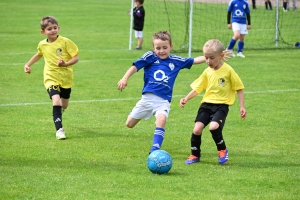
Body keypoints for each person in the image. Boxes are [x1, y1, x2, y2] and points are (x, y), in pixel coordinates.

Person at [117, 31, 230, 154]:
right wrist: (124, 78)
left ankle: (155, 149)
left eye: (165, 48)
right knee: (129, 124)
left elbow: (194, 60)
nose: (161, 51)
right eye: (158, 48)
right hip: (147, 99)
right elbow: (135, 66)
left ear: (171, 46)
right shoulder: (150, 56)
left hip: (163, 101)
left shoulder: (175, 60)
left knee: (161, 120)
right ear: (154, 47)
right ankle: (136, 114)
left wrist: (215, 56)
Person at [180, 39, 247, 165]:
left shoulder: (228, 70)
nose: (208, 61)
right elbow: (198, 88)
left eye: (212, 58)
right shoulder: (207, 71)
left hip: (221, 106)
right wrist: (186, 98)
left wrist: (242, 107)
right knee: (197, 129)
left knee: (213, 127)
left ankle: (222, 150)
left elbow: (239, 88)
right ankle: (195, 154)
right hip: (206, 105)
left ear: (221, 56)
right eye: (206, 58)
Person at [24, 16, 79, 140]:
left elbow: (76, 57)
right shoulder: (42, 44)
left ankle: (59, 112)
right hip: (50, 77)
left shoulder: (65, 42)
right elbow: (39, 54)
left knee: (64, 105)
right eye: (49, 29)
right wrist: (27, 64)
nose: (53, 30)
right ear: (43, 32)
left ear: (58, 28)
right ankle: (59, 130)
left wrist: (65, 64)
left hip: (66, 78)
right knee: (56, 100)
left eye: (55, 28)